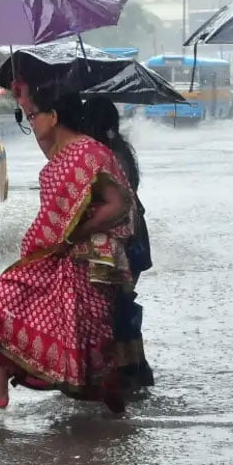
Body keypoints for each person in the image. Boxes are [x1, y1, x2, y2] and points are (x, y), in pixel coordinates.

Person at [0, 88, 136, 413]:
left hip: (86, 258)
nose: (29, 123)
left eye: (33, 116)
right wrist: (22, 94)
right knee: (2, 304)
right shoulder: (59, 156)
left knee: (86, 338)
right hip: (50, 255)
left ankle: (112, 412)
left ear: (53, 117)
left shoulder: (91, 153)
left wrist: (78, 232)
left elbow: (120, 203)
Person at [82, 96, 154, 397]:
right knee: (121, 305)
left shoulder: (106, 157)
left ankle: (120, 374)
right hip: (134, 239)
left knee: (112, 308)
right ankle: (133, 371)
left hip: (122, 241)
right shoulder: (120, 151)